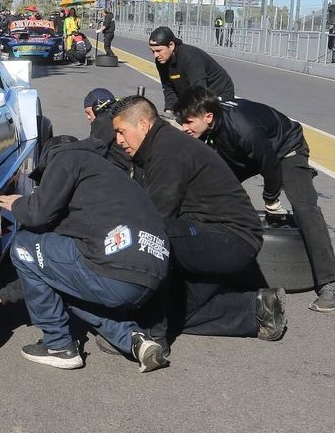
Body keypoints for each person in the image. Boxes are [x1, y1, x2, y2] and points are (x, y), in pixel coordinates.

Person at [110, 96, 287, 342]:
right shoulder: (157, 146)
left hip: (231, 240)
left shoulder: (167, 150)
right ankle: (256, 309)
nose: (118, 141)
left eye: (121, 132)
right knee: (173, 309)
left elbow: (156, 217)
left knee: (150, 239)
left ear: (143, 124)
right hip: (208, 235)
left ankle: (149, 332)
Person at [0, 135, 170, 372]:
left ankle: (58, 346)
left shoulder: (66, 157)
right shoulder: (109, 176)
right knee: (64, 279)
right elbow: (49, 268)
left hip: (115, 269)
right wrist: (6, 295)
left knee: (22, 244)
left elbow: (37, 215)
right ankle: (135, 340)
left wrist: (18, 204)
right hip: (151, 277)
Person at [174, 88, 335, 312]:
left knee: (304, 206)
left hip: (285, 149)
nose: (183, 128)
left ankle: (329, 283)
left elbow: (270, 165)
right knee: (209, 191)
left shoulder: (244, 129)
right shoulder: (213, 120)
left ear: (208, 117)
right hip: (242, 149)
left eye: (188, 122)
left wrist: (271, 199)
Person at [148, 26, 235, 116]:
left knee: (202, 122)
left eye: (159, 50)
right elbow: (168, 87)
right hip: (194, 93)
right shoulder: (161, 60)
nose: (155, 55)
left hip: (218, 92)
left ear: (171, 45)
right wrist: (170, 111)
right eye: (152, 51)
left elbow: (199, 91)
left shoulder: (190, 58)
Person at [83, 88, 131, 173]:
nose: (88, 117)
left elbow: (92, 150)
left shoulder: (103, 120)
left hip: (125, 174)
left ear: (97, 108)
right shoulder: (121, 114)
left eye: (88, 113)